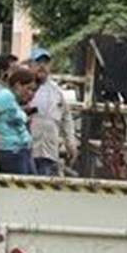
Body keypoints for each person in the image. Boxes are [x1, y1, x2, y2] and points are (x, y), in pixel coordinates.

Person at [26, 47, 78, 176]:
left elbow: (66, 117)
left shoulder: (56, 92)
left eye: (45, 63)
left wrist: (70, 142)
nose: (42, 66)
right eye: (38, 63)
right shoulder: (24, 88)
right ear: (30, 65)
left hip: (49, 151)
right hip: (27, 149)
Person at [0, 66, 37, 175]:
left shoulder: (15, 102)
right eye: (28, 88)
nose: (31, 93)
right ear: (18, 85)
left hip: (22, 151)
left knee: (32, 186)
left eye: (33, 90)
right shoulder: (5, 96)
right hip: (10, 151)